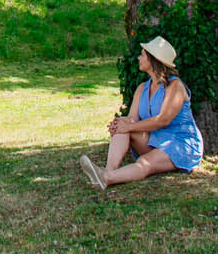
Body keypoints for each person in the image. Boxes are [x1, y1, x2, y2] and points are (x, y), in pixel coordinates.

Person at [79, 35, 204, 190]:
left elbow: (162, 120)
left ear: (152, 60)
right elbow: (132, 118)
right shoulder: (142, 88)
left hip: (179, 143)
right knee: (124, 122)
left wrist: (128, 127)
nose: (139, 57)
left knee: (145, 163)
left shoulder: (175, 86)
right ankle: (107, 170)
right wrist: (120, 125)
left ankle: (106, 177)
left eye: (142, 54)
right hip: (155, 139)